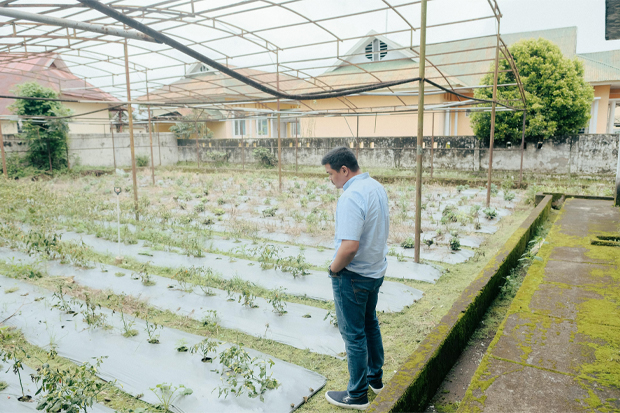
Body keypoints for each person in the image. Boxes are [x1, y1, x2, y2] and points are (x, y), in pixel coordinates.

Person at [322, 146, 389, 410]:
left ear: (344, 170)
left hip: (353, 276)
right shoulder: (376, 187)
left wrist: (333, 269)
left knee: (354, 335)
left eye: (330, 173)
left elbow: (349, 247)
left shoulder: (351, 197)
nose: (330, 179)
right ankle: (375, 379)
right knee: (370, 324)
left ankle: (357, 394)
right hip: (375, 271)